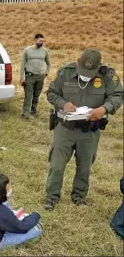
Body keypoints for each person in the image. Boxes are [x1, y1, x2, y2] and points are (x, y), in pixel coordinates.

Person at [44, 48, 123, 210]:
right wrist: (63, 104)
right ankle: (52, 197)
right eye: (83, 70)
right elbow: (51, 93)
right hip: (65, 128)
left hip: (90, 130)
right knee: (57, 164)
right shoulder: (65, 73)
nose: (86, 74)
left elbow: (118, 96)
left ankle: (79, 196)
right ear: (77, 61)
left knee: (85, 166)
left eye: (90, 72)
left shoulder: (107, 76)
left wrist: (104, 109)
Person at [20, 34, 51, 119]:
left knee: (36, 95)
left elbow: (49, 63)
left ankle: (33, 112)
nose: (41, 43)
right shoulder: (27, 50)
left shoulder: (45, 51)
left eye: (43, 41)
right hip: (29, 76)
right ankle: (25, 114)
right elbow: (22, 65)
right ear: (35, 40)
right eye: (40, 41)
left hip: (40, 77)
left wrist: (46, 73)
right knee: (28, 96)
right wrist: (22, 77)